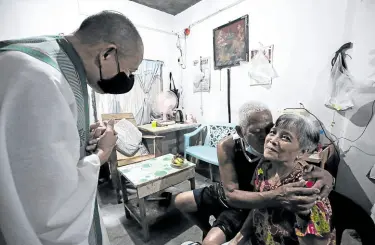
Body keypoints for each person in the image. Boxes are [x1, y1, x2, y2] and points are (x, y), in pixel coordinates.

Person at [0, 11, 143, 245]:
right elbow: (49, 205)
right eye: (129, 69)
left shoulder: (56, 61)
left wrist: (81, 134)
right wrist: (102, 154)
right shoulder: (37, 76)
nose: (126, 77)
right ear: (108, 53)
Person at [174, 101, 334, 245]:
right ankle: (207, 229)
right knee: (181, 200)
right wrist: (277, 196)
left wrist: (328, 177)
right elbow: (235, 196)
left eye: (269, 129)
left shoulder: (302, 187)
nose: (268, 138)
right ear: (241, 132)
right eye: (271, 132)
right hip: (235, 195)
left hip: (253, 204)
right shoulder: (257, 162)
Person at [229, 113, 335, 245]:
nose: (272, 140)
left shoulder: (308, 187)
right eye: (273, 132)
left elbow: (318, 242)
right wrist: (238, 238)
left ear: (303, 152)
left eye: (285, 137)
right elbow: (258, 207)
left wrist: (302, 216)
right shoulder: (264, 166)